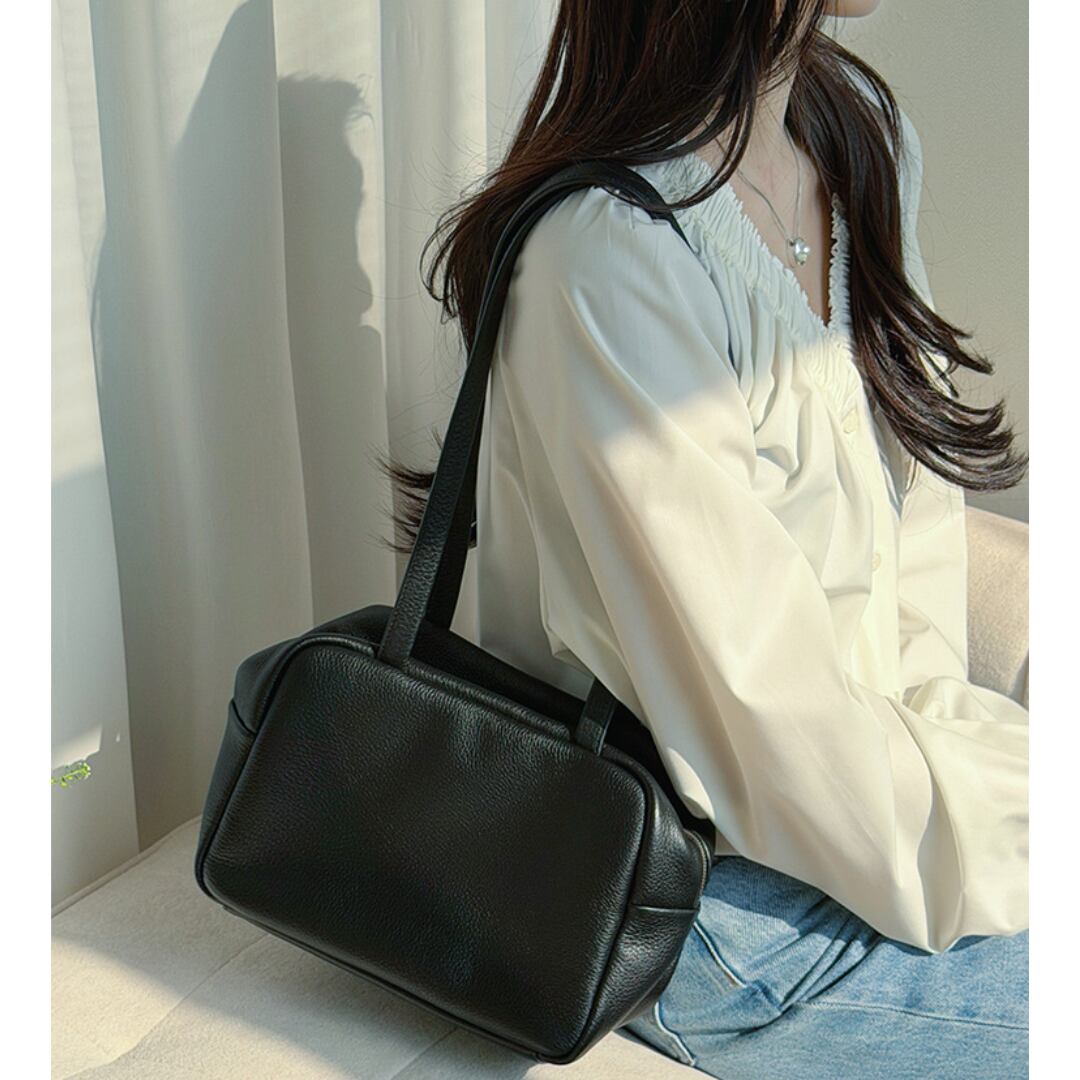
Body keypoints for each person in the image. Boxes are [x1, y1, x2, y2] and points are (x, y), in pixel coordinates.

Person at [378, 2, 1029, 1076]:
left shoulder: (857, 136)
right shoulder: (605, 258)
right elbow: (764, 728)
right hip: (698, 904)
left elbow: (915, 546)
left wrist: (986, 774)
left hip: (880, 819)